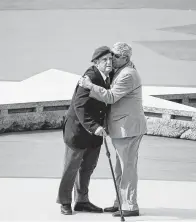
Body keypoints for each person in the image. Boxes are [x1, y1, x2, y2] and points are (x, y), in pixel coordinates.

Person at [78, 42, 146, 217]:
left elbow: (111, 97)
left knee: (128, 168)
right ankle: (120, 203)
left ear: (125, 58)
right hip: (122, 128)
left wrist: (89, 86)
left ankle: (130, 205)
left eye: (115, 56)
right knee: (120, 168)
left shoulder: (128, 75)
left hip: (128, 128)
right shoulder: (123, 70)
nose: (111, 58)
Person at [56, 46, 113, 215]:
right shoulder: (90, 77)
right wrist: (94, 127)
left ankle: (82, 201)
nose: (109, 62)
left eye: (111, 59)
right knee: (71, 168)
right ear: (96, 62)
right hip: (78, 131)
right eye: (105, 60)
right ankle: (65, 202)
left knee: (88, 167)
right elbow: (79, 105)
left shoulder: (107, 75)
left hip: (94, 133)